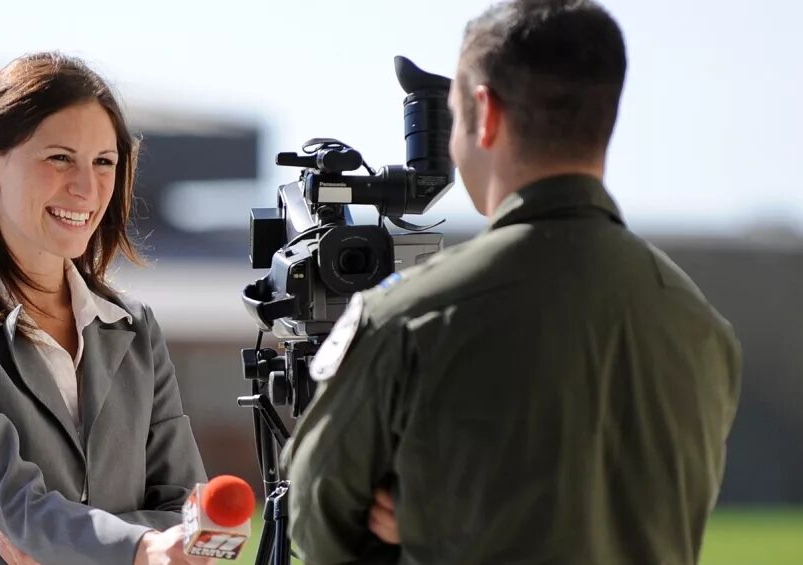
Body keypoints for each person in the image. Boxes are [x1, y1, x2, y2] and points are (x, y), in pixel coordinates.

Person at [283, 1, 742, 564]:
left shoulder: (410, 319)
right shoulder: (700, 327)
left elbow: (319, 527)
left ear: (486, 112)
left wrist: (431, 522)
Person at [0, 52, 213, 565]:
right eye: (60, 158)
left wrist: (69, 544)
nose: (86, 187)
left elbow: (188, 513)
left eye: (104, 162)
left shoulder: (134, 328)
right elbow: (16, 506)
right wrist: (142, 546)